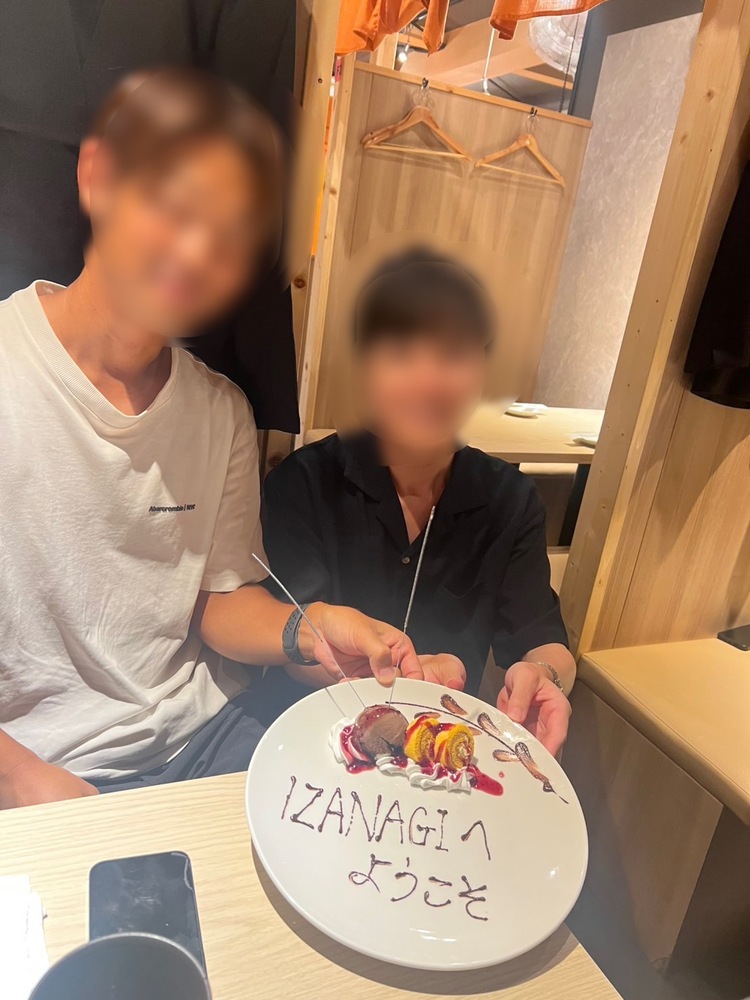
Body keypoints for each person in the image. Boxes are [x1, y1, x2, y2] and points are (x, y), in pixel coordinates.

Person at [0, 71, 463, 810]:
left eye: (229, 235)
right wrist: (21, 781)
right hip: (44, 766)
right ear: (99, 176)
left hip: (213, 735)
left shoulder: (220, 411)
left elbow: (215, 601)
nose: (195, 253)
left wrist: (312, 629)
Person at [261, 250, 576, 755]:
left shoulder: (509, 499)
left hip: (442, 751)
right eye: (401, 353)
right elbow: (294, 648)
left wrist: (544, 676)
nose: (428, 381)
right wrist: (390, 676)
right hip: (318, 743)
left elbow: (541, 636)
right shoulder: (304, 483)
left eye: (453, 353)